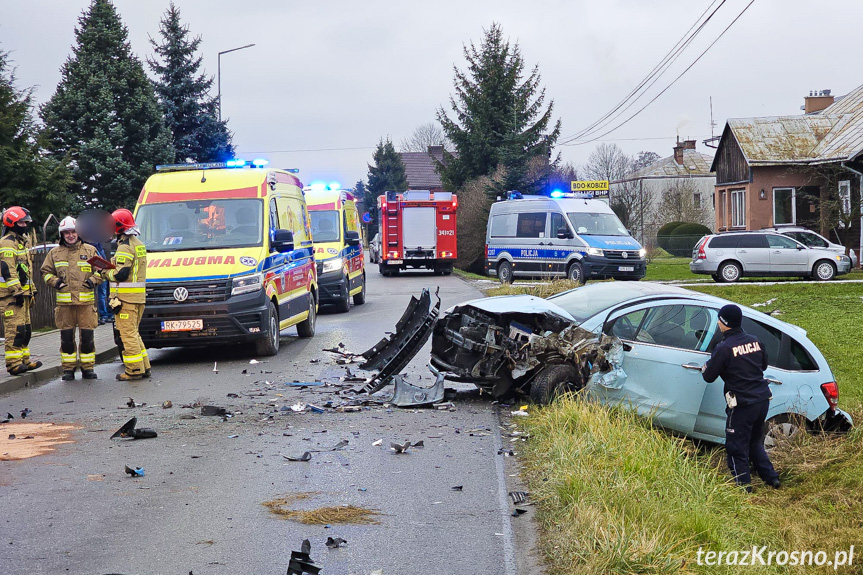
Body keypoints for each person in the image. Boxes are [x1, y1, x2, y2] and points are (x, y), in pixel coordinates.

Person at [702, 304, 780, 492]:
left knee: (736, 445)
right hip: (762, 400)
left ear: (724, 323)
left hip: (742, 405)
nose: (718, 324)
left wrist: (707, 365)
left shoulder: (724, 348)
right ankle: (772, 479)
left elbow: (709, 376)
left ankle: (743, 487)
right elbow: (763, 366)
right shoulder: (755, 340)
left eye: (719, 320)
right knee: (754, 441)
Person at [41, 216, 102, 380]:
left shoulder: (90, 251)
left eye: (73, 231)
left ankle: (87, 368)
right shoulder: (54, 253)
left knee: (87, 339)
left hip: (86, 305)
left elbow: (102, 271)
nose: (70, 235)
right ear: (62, 234)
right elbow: (45, 273)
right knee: (66, 339)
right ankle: (68, 370)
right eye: (66, 232)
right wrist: (55, 282)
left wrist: (93, 281)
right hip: (65, 306)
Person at [101, 208, 150, 381]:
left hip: (125, 299)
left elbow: (121, 274)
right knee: (134, 333)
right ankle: (144, 366)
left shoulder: (124, 247)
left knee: (127, 335)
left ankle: (134, 370)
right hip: (137, 298)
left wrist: (104, 273)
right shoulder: (137, 243)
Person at [0, 206, 42, 375]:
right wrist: (17, 291)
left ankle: (24, 360)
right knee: (15, 331)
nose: (25, 225)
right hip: (10, 296)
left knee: (25, 330)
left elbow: (25, 269)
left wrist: (32, 290)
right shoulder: (7, 243)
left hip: (23, 294)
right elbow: (7, 269)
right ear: (12, 222)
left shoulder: (20, 241)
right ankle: (13, 364)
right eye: (22, 222)